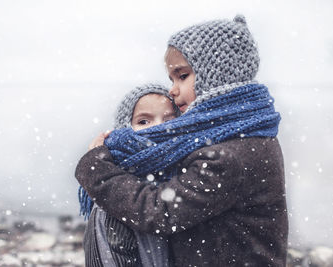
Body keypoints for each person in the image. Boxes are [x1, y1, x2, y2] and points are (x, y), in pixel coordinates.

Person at [76, 15, 288, 266]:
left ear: (216, 75)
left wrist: (98, 170)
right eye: (171, 79)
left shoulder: (228, 154)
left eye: (183, 76)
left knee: (110, 213)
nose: (173, 90)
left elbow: (161, 212)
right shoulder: (235, 135)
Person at [80, 84, 179, 267]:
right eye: (143, 121)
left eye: (169, 120)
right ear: (125, 128)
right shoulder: (111, 201)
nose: (158, 127)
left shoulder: (185, 183)